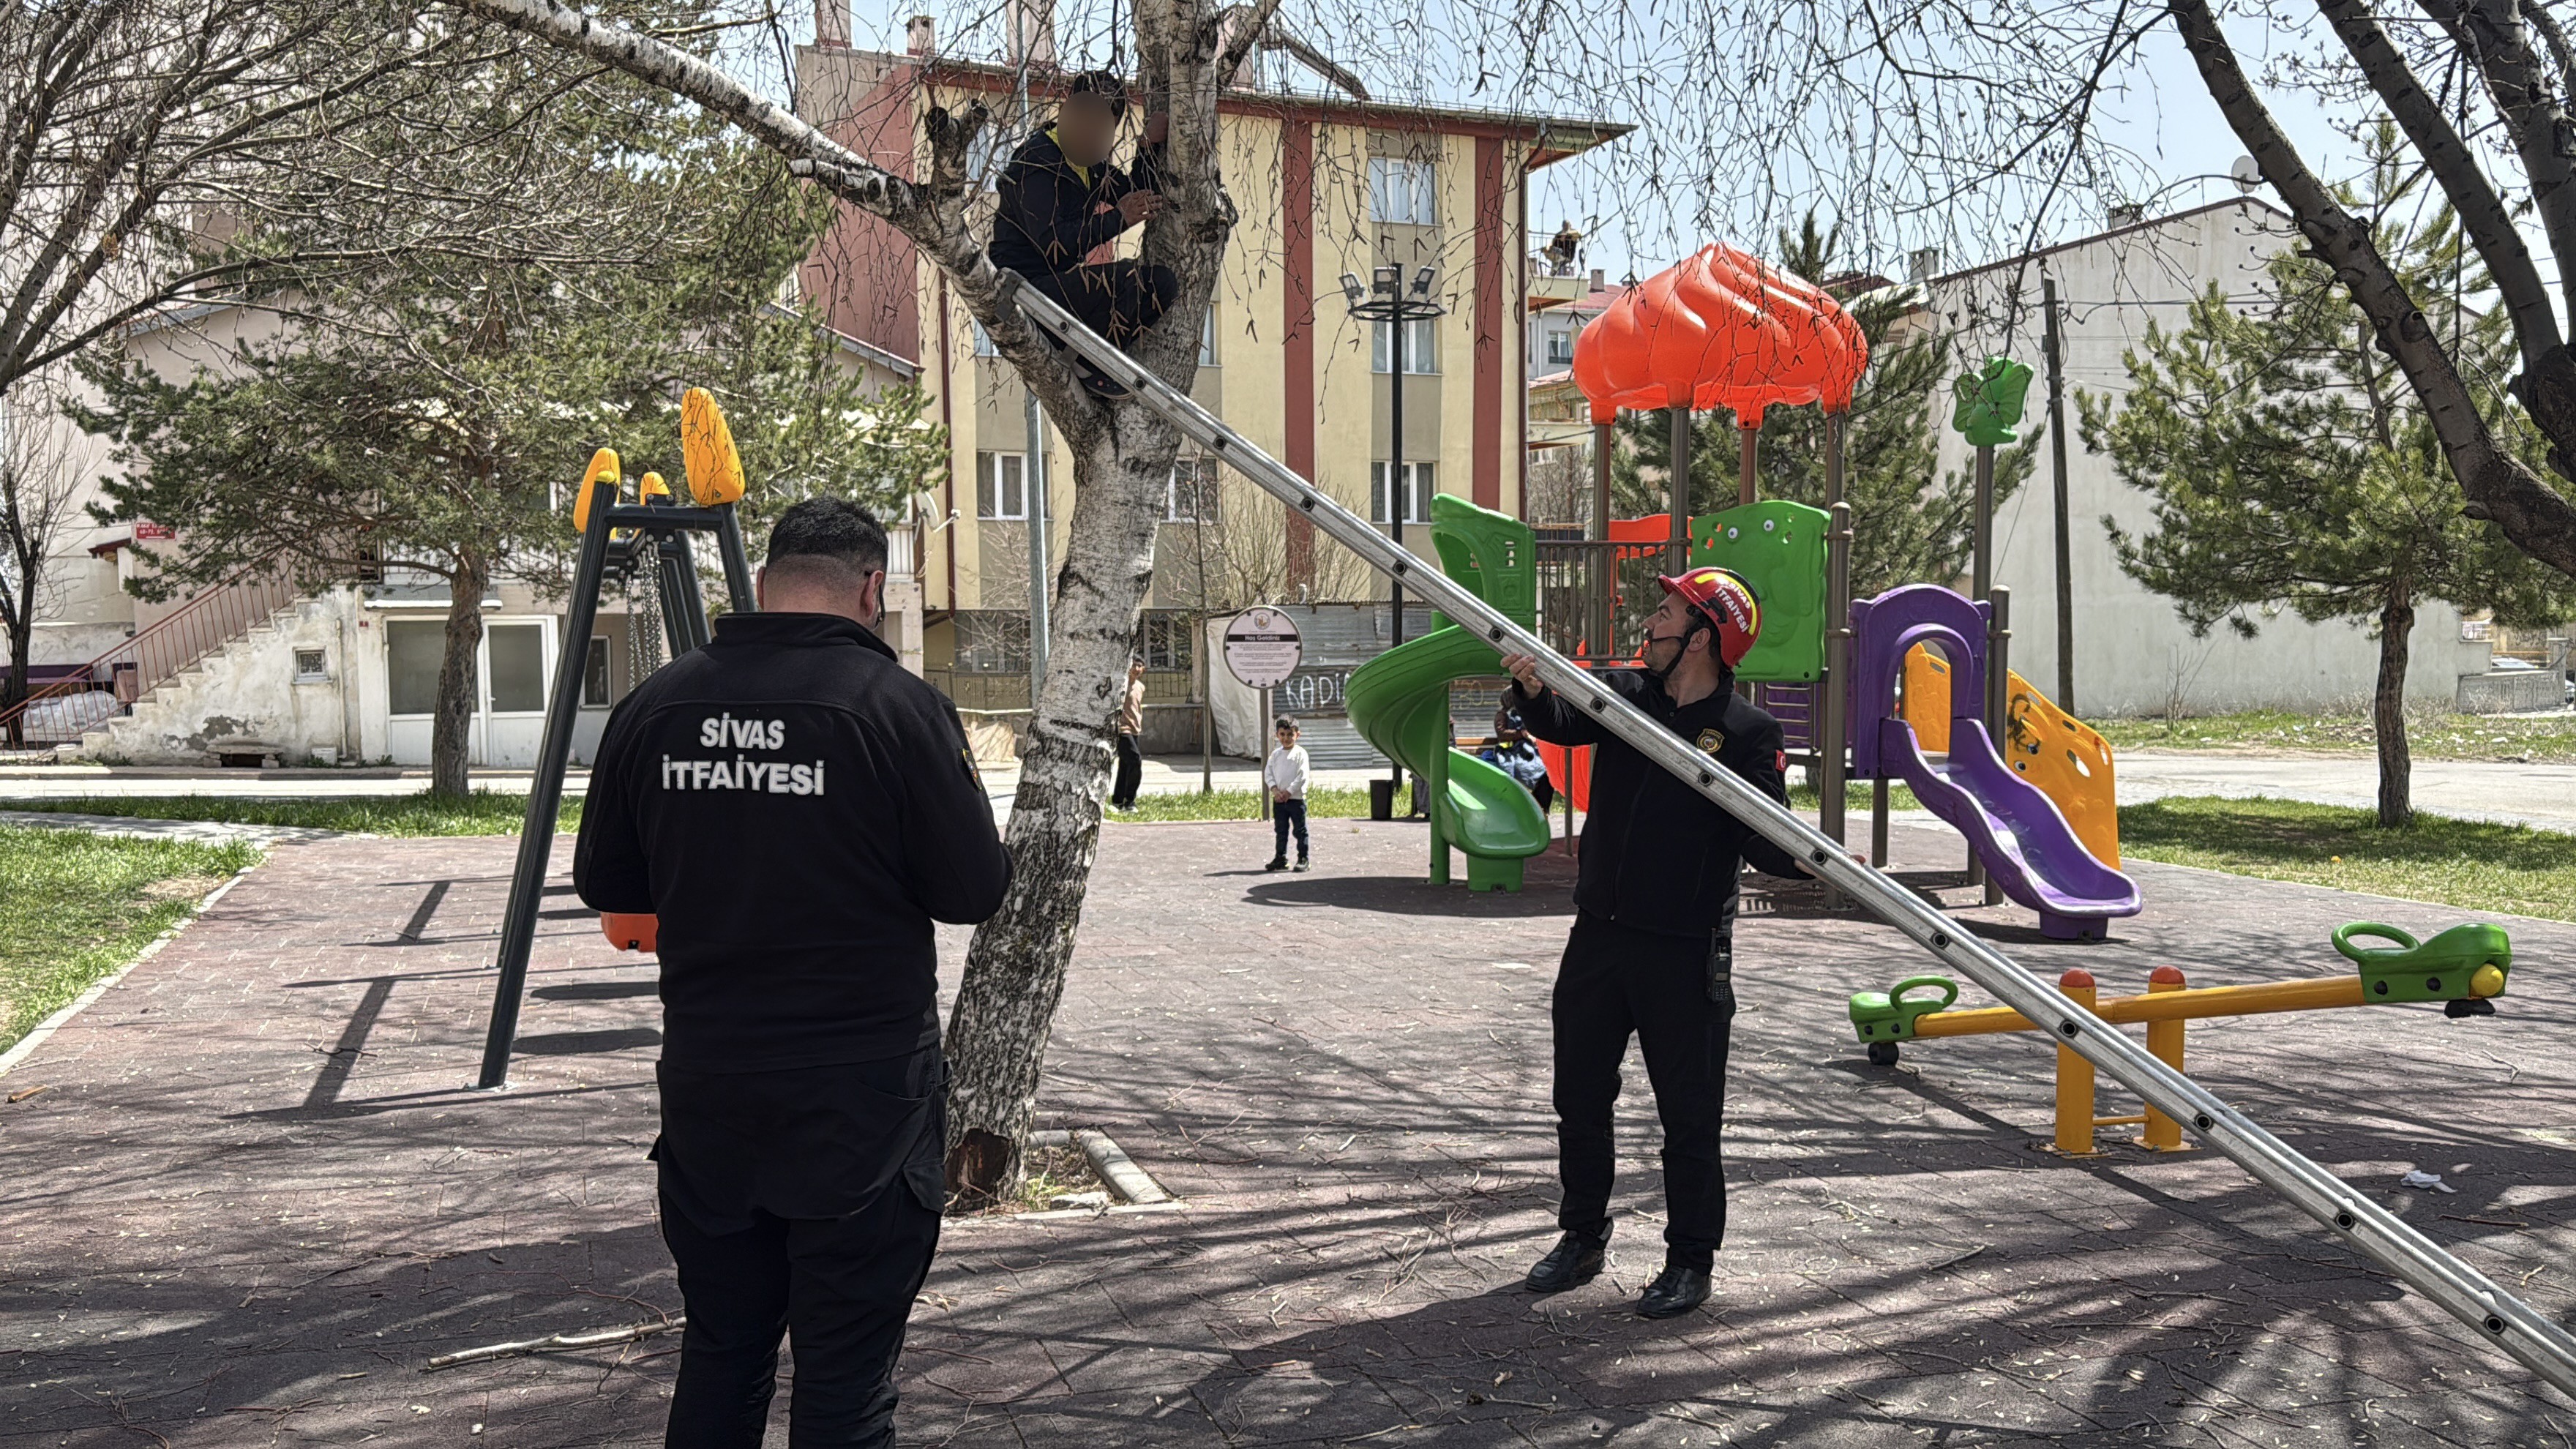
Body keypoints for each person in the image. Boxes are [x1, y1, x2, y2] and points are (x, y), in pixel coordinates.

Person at [574, 498, 1012, 1447]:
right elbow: (974, 890)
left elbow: (606, 884)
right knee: (847, 1382)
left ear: (764, 584)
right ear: (869, 588)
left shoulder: (657, 705)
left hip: (712, 1092)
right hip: (864, 1108)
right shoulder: (898, 711)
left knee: (723, 1354)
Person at [1497, 566, 1815, 1320]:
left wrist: (1812, 860)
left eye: (1667, 613)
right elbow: (1563, 722)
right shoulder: (1627, 696)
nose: (1651, 622)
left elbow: (1765, 838)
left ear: (1701, 635)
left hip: (1683, 950)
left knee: (1689, 1115)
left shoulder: (1747, 732)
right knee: (1578, 1096)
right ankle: (1581, 1236)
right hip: (1598, 939)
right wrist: (1534, 690)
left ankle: (1688, 1260)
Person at [988, 70, 1177, 387]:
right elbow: (1053, 243)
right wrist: (1118, 219)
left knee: (1159, 284)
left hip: (1053, 291)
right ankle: (1092, 367)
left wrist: (1147, 145)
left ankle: (1092, 363)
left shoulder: (1089, 164)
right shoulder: (1036, 161)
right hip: (1027, 295)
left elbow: (1136, 192)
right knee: (1137, 282)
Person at [1479, 708, 1556, 812]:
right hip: (1514, 754)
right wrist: (1521, 734)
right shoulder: (1503, 715)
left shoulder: (1528, 714)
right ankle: (1534, 807)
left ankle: (1541, 809)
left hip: (1531, 754)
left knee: (1546, 774)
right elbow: (1502, 734)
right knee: (1531, 771)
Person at [1264, 715, 1310, 872]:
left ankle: (1304, 858)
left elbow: (1302, 776)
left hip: (1296, 800)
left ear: (1298, 735)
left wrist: (1289, 792)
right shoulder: (1275, 755)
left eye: (1290, 735)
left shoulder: (1300, 754)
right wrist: (1275, 790)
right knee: (1281, 831)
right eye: (1283, 734)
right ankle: (1280, 858)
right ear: (1277, 735)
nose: (1286, 738)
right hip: (1279, 801)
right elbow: (1268, 773)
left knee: (1300, 830)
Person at [1109, 656, 1146, 811]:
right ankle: (1130, 801)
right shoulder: (1121, 685)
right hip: (1122, 729)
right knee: (1135, 760)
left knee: (1125, 765)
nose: (1137, 669)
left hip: (1135, 729)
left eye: (1140, 666)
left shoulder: (1140, 687)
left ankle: (1118, 801)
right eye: (1134, 665)